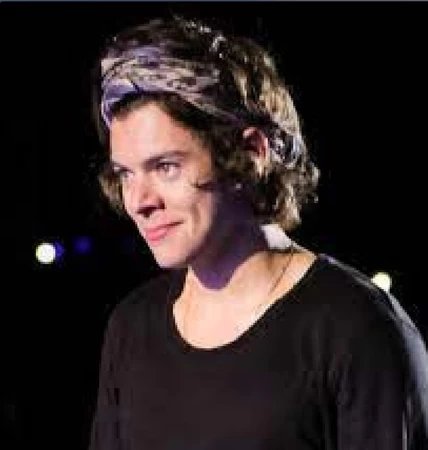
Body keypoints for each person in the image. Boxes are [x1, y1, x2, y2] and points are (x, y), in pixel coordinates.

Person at [87, 14, 428, 450]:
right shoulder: (132, 328)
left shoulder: (355, 328)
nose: (139, 201)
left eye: (166, 166)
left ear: (251, 152)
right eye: (126, 174)